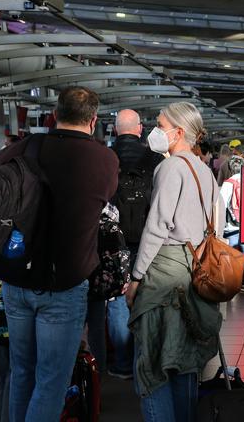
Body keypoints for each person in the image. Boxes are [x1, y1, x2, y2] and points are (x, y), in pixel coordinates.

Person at [0, 86, 119, 421]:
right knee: (51, 379)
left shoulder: (28, 146)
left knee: (21, 373)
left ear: (55, 115)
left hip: (16, 279)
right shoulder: (104, 159)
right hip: (64, 285)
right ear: (94, 119)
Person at [125, 102, 222, 422]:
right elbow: (216, 226)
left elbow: (157, 225)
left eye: (160, 124)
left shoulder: (169, 168)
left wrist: (137, 277)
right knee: (184, 363)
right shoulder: (204, 170)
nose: (156, 130)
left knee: (151, 366)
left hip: (165, 275)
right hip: (194, 271)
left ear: (179, 132)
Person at [107, 109, 163, 380]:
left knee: (117, 296)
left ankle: (120, 363)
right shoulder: (155, 159)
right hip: (147, 237)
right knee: (146, 294)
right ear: (140, 129)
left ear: (115, 130)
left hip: (112, 240)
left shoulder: (104, 157)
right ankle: (145, 361)